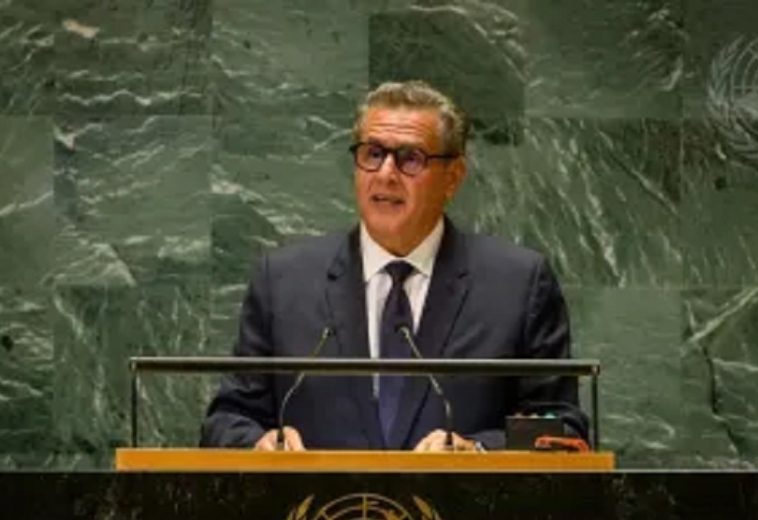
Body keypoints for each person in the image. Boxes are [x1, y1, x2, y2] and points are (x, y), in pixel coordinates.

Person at [200, 80, 587, 451]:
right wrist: (258, 444)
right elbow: (228, 419)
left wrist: (478, 451)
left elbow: (561, 429)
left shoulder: (517, 285)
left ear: (453, 177)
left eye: (410, 158)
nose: (386, 174)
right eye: (373, 154)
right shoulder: (285, 281)